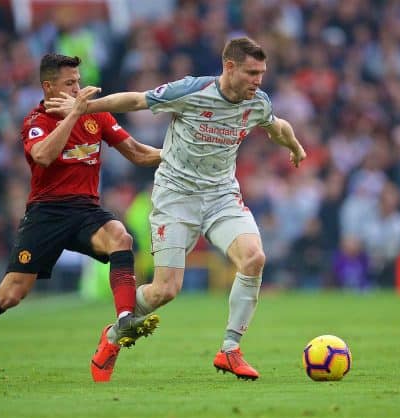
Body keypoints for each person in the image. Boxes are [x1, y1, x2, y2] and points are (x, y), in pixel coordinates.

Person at [46, 37, 307, 380]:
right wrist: (83, 108)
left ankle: (230, 349)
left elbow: (278, 125)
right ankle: (112, 336)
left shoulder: (256, 102)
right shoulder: (191, 91)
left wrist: (295, 147)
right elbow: (136, 100)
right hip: (176, 198)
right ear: (229, 67)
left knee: (254, 258)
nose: (258, 80)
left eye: (262, 73)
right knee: (165, 290)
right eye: (251, 72)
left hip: (221, 197)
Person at [0, 53, 162, 385]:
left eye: (78, 82)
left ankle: (124, 320)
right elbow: (44, 156)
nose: (77, 89)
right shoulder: (35, 121)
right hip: (46, 214)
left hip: (85, 210)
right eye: (69, 83)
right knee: (10, 295)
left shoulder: (98, 116)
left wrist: (174, 156)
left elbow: (137, 152)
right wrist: (74, 115)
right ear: (48, 87)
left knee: (120, 236)